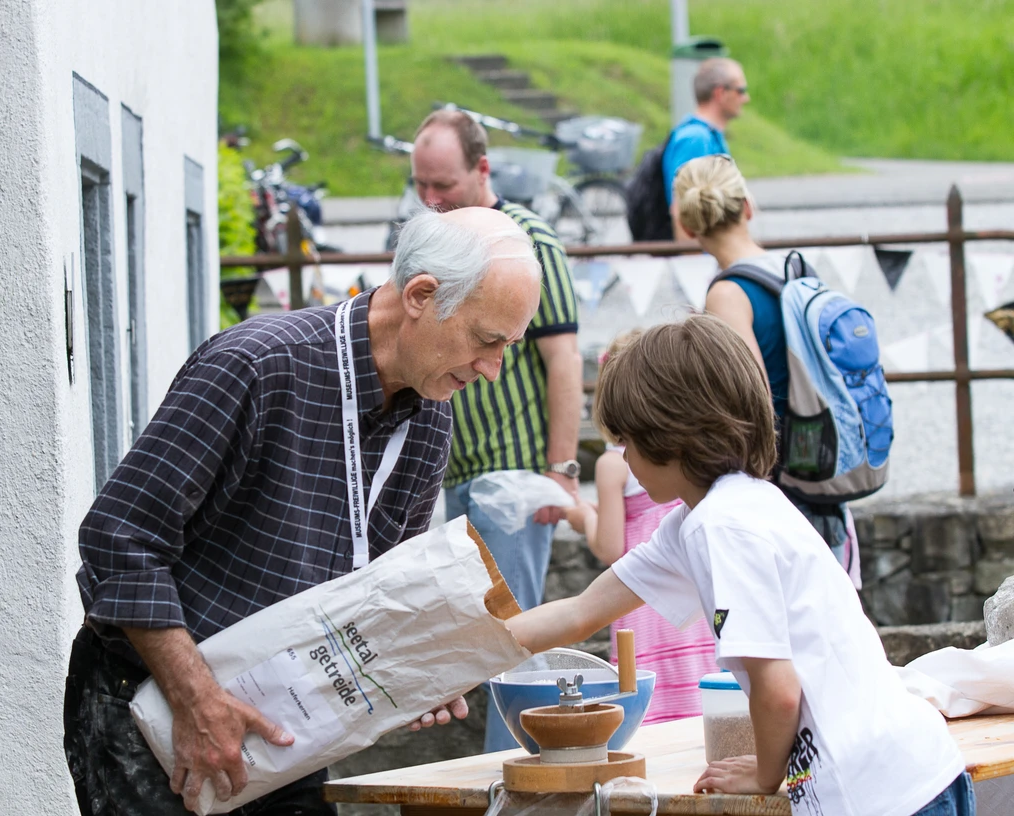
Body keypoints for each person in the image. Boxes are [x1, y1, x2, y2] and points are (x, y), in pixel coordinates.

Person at [63, 207, 543, 816]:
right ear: (422, 295)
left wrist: (422, 670)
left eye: (509, 346)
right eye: (486, 340)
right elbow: (119, 536)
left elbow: (375, 591)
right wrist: (197, 700)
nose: (493, 369)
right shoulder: (259, 365)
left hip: (287, 721)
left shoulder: (430, 413)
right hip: (153, 700)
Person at [507, 315, 974, 816]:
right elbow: (582, 611)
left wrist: (765, 774)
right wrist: (459, 653)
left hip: (881, 792)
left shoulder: (722, 527)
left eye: (626, 441)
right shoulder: (710, 517)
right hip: (905, 775)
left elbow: (776, 690)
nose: (623, 459)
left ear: (670, 436)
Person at [411, 109, 584, 752]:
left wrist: (560, 472)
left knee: (512, 644)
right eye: (420, 184)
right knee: (481, 639)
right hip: (458, 470)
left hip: (513, 473)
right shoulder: (442, 246)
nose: (431, 200)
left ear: (482, 170)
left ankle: (510, 777)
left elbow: (563, 359)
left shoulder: (528, 240)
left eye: (444, 185)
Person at [674, 153, 856, 566]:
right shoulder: (799, 269)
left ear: (687, 226)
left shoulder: (727, 294)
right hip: (822, 468)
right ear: (748, 207)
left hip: (782, 490)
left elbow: (750, 405)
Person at [564, 331, 717, 725]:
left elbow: (611, 547)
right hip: (685, 602)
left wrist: (585, 519)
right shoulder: (682, 465)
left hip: (640, 601)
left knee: (648, 695)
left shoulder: (613, 463)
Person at [663, 57, 749, 239]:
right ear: (720, 93)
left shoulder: (707, 135)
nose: (745, 98)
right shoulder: (696, 139)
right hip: (703, 259)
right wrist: (695, 265)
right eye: (740, 91)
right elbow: (682, 211)